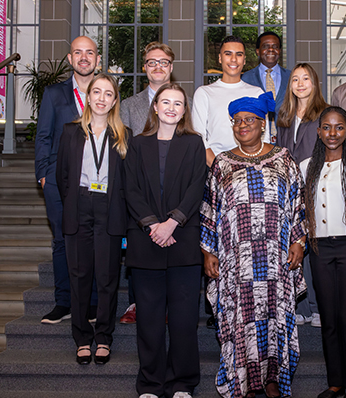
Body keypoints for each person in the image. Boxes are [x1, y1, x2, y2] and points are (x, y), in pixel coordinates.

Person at [200, 92, 306, 398]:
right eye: (237, 121)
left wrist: (299, 241)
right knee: (242, 319)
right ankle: (244, 382)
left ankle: (273, 378)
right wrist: (208, 251)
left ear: (263, 124)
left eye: (250, 120)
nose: (243, 125)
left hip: (275, 258)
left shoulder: (284, 158)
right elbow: (210, 209)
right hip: (237, 261)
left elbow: (298, 202)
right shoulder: (222, 163)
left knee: (274, 315)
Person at [125, 83, 206, 398]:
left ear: (184, 111)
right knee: (149, 320)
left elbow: (196, 187)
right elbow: (130, 190)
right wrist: (153, 226)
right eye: (166, 102)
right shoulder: (137, 144)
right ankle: (151, 383)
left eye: (178, 103)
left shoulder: (194, 144)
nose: (172, 108)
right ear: (155, 107)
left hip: (183, 240)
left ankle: (182, 383)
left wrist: (171, 223)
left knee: (185, 320)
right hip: (146, 242)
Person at [301, 106, 346, 398]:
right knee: (329, 318)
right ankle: (335, 382)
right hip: (320, 247)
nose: (333, 133)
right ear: (319, 132)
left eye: (339, 127)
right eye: (327, 128)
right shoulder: (307, 166)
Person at [55, 73, 129, 365]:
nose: (101, 98)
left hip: (109, 208)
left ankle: (104, 337)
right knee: (79, 277)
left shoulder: (125, 136)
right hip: (80, 205)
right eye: (96, 92)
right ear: (88, 97)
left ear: (114, 101)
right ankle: (82, 338)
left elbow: (128, 180)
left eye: (107, 94)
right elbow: (63, 177)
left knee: (107, 278)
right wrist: (76, 201)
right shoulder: (70, 132)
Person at [35, 36, 100, 324]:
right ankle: (64, 302)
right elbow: (43, 136)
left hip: (97, 182)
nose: (84, 57)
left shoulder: (106, 93)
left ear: (97, 59)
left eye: (89, 52)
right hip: (58, 180)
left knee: (95, 242)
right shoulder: (53, 94)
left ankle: (94, 304)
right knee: (62, 241)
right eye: (78, 53)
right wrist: (43, 174)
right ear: (70, 58)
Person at [119, 41, 177, 325]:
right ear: (144, 68)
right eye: (152, 62)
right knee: (139, 245)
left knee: (172, 244)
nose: (157, 67)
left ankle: (168, 303)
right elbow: (122, 149)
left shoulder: (181, 101)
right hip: (139, 190)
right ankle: (135, 303)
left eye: (163, 62)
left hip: (173, 190)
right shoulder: (129, 106)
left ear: (171, 67)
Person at [277, 62, 327, 327]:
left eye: (305, 78)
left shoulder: (325, 114)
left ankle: (318, 307)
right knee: (295, 249)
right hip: (289, 193)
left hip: (316, 191)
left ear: (314, 83)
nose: (300, 84)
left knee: (315, 249)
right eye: (295, 79)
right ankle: (300, 306)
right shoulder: (284, 116)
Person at [192, 35, 265, 167]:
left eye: (239, 54)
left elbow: (264, 136)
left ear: (244, 60)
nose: (233, 59)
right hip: (214, 168)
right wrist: (220, 169)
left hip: (251, 167)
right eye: (228, 54)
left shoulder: (257, 93)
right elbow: (199, 138)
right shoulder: (204, 93)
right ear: (220, 58)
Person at [242, 31, 291, 143]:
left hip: (286, 140)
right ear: (258, 51)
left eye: (275, 46)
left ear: (279, 51)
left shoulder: (291, 77)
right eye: (265, 46)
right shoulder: (246, 78)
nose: (271, 50)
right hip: (256, 141)